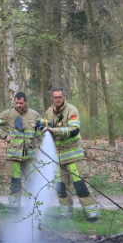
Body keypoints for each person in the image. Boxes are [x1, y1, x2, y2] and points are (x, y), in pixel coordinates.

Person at [43, 87, 100, 221]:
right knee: (61, 188)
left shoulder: (72, 110)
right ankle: (65, 214)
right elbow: (45, 128)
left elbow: (74, 130)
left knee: (81, 186)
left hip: (73, 156)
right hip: (57, 159)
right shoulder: (48, 112)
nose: (57, 99)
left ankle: (92, 215)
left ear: (64, 96)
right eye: (55, 97)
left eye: (59, 97)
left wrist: (53, 130)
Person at [0, 92, 42, 207]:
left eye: (21, 103)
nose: (18, 105)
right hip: (14, 157)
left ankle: (31, 209)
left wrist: (39, 137)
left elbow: (42, 128)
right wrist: (4, 136)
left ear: (26, 102)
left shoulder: (34, 114)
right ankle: (14, 209)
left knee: (31, 183)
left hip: (30, 157)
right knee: (15, 185)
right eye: (16, 103)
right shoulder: (8, 114)